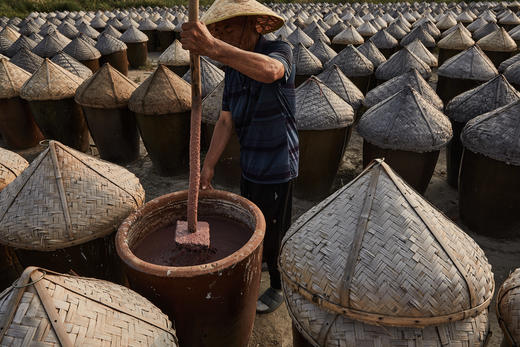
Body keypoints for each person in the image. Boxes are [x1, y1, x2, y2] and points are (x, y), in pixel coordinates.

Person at [181, 0, 299, 313]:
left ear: (252, 24)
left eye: (228, 28)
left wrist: (213, 46)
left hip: (278, 162)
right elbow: (225, 120)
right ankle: (259, 265)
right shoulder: (232, 72)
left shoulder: (280, 49)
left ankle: (277, 285)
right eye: (216, 31)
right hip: (251, 160)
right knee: (252, 221)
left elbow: (271, 71)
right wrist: (207, 166)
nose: (222, 35)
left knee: (274, 228)